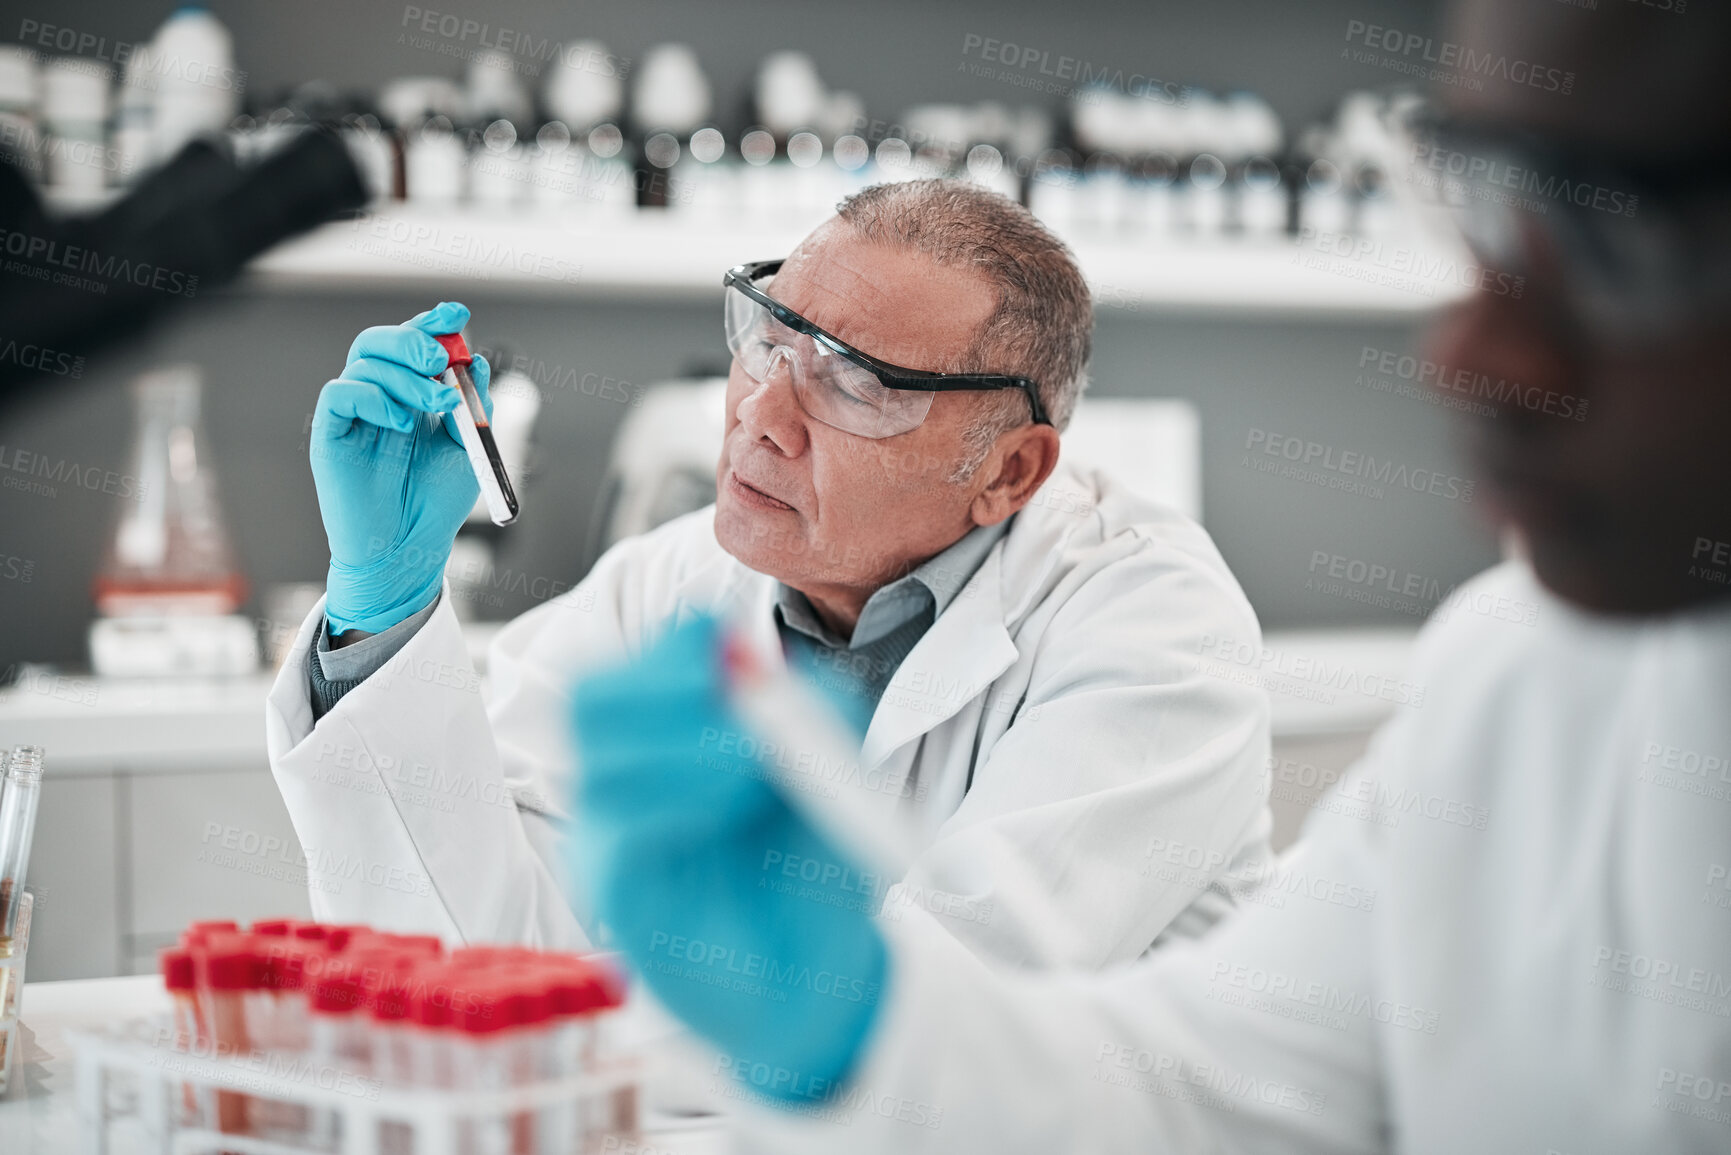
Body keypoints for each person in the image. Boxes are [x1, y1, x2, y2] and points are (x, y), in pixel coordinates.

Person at [565, 3, 1731, 1151]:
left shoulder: (1153, 616)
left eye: (1619, 237)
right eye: (1484, 202)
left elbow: (1013, 963)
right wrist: (865, 1032)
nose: (1469, 356)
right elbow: (1218, 1085)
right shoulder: (1519, 680)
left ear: (1011, 470)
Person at [266, 179, 1274, 971]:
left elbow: (939, 1008)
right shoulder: (665, 588)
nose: (759, 415)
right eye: (771, 339)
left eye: (858, 383)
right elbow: (470, 953)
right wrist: (382, 611)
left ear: (1008, 471)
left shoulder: (1155, 631)